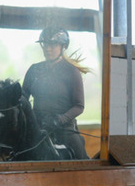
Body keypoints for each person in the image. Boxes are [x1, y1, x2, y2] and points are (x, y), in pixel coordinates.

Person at [22, 26, 89, 159]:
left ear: (63, 46)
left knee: (80, 158)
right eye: (45, 44)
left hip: (64, 129)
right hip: (36, 126)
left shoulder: (72, 71)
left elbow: (79, 106)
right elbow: (23, 99)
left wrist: (59, 120)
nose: (47, 49)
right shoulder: (34, 70)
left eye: (52, 45)